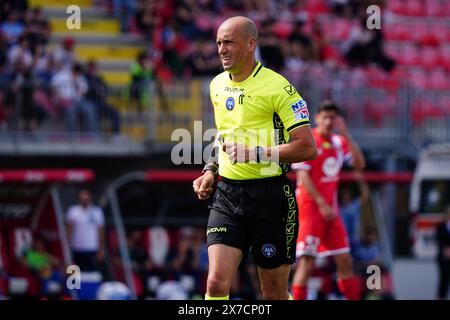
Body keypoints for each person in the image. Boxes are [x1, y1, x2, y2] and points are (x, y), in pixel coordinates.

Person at [192, 16, 317, 300]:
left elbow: (307, 147)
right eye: (219, 43)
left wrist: (258, 153)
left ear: (250, 45)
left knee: (273, 292)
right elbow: (223, 135)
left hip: (271, 197)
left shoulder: (278, 87)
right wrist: (210, 169)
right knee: (215, 283)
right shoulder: (217, 85)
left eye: (229, 42)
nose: (222, 49)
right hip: (227, 194)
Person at [291, 101, 366, 300]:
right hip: (310, 210)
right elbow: (303, 176)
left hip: (331, 212)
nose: (328, 121)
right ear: (317, 118)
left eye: (332, 118)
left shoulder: (339, 142)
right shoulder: (308, 140)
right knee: (307, 262)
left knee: (345, 260)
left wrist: (347, 135)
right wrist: (322, 204)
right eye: (324, 117)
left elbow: (359, 164)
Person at [66, 189, 105, 272]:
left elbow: (100, 231)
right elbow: (69, 230)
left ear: (90, 198)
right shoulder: (73, 211)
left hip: (92, 247)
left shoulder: (97, 212)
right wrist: (68, 245)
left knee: (93, 272)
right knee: (75, 272)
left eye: (86, 198)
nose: (84, 200)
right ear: (79, 199)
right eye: (82, 198)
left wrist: (101, 248)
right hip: (77, 248)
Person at [436, 205, 450, 299]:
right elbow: (439, 239)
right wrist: (445, 250)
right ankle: (441, 297)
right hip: (444, 257)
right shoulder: (441, 226)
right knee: (444, 279)